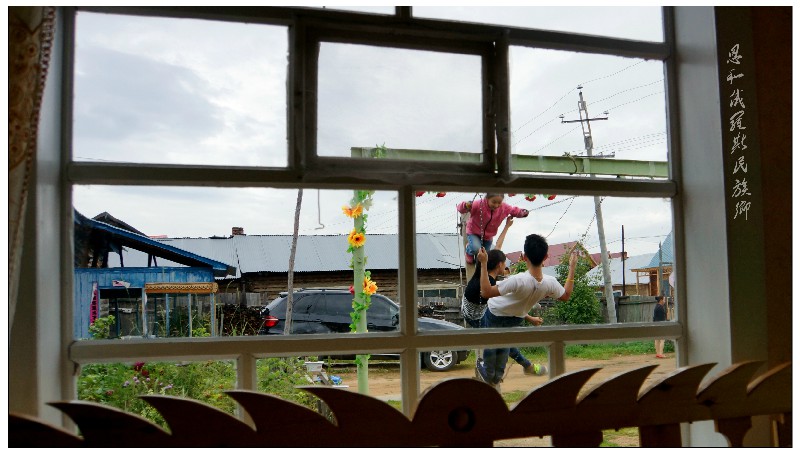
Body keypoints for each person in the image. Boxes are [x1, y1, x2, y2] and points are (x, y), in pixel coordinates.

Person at [474, 234, 578, 387]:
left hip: (495, 314)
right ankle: (497, 376)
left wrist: (483, 263)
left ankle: (487, 372)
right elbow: (566, 295)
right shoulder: (550, 283)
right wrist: (572, 267)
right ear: (546, 257)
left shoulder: (518, 280)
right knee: (504, 345)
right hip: (516, 319)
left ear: (524, 257)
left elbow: (486, 292)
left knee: (492, 343)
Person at [457, 193, 529, 264]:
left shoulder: (504, 208)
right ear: (487, 199)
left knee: (485, 256)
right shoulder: (478, 204)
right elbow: (460, 209)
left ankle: (478, 263)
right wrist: (466, 205)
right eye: (494, 202)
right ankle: (469, 250)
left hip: (488, 236)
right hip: (474, 231)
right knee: (476, 248)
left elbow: (514, 211)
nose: (496, 205)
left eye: (499, 203)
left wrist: (522, 213)